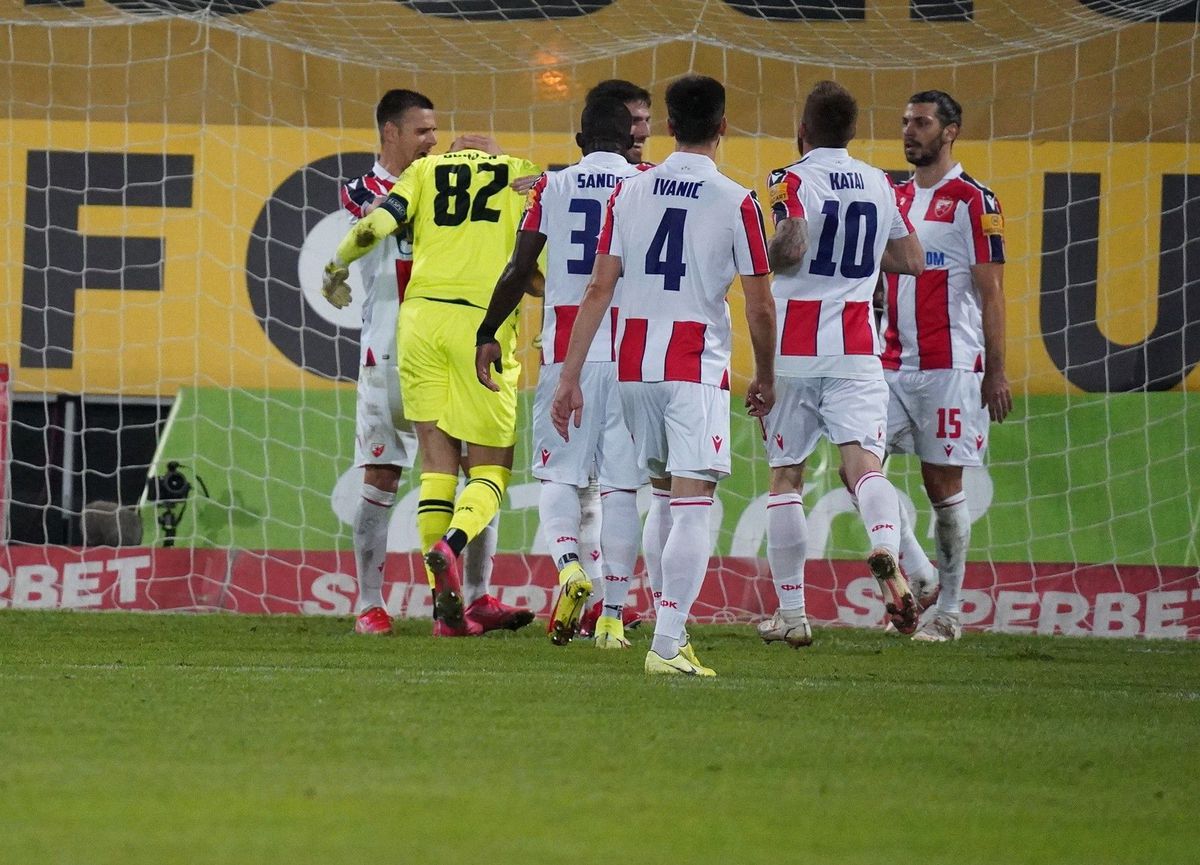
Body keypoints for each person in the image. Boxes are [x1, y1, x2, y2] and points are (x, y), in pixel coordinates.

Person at [551, 74, 777, 677]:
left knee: (661, 496)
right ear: (723, 126)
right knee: (693, 500)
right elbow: (759, 303)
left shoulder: (630, 195)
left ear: (668, 125)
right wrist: (768, 376)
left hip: (632, 367)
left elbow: (599, 287)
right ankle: (669, 641)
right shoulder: (739, 200)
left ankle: (651, 622)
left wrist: (569, 378)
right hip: (694, 368)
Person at [323, 126, 540, 636]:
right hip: (475, 327)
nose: (431, 139)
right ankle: (438, 560)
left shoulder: (424, 173)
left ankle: (459, 600)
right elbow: (535, 270)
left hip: (416, 329)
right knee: (486, 469)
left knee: (437, 468)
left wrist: (334, 266)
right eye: (422, 130)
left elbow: (376, 224)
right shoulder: (519, 176)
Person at [755, 80, 925, 648]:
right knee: (866, 468)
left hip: (793, 346)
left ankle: (793, 616)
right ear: (852, 132)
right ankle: (883, 544)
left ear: (803, 131)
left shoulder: (790, 177)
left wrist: (760, 250)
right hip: (856, 345)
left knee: (786, 476)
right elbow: (912, 259)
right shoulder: (881, 183)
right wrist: (861, 248)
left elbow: (792, 245)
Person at [476, 97, 645, 649]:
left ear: (579, 139)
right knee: (620, 488)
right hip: (630, 354)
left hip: (566, 352)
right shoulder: (646, 183)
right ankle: (613, 614)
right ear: (629, 141)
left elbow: (519, 269)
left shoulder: (553, 187)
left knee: (559, 477)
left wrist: (486, 333)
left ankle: (570, 567)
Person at [880, 90, 1011, 642]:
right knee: (856, 466)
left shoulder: (974, 201)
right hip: (887, 362)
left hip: (949, 367)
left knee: (942, 487)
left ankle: (951, 611)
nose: (910, 131)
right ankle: (918, 572)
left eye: (923, 123)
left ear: (950, 131)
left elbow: (992, 294)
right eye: (907, 121)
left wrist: (997, 371)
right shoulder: (891, 196)